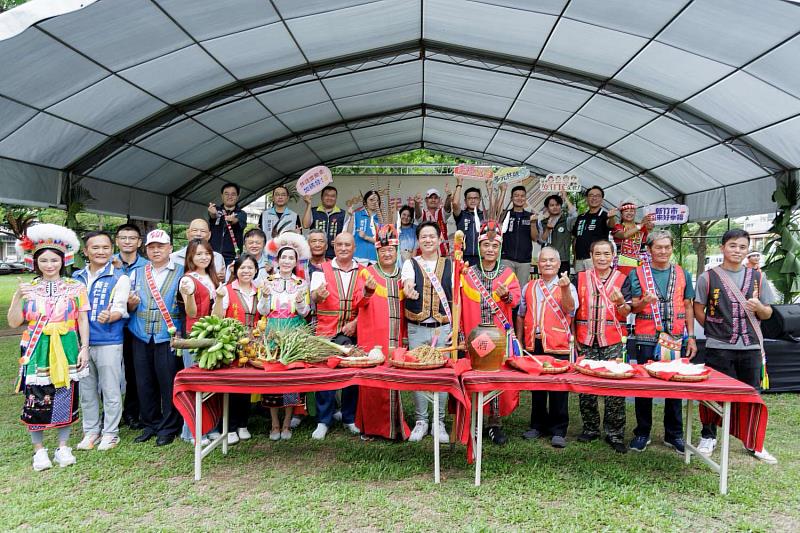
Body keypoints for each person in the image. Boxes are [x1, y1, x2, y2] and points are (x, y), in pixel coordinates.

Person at [9, 224, 89, 471]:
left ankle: (63, 446)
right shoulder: (28, 288)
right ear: (36, 262)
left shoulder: (76, 287)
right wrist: (16, 298)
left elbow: (83, 319)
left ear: (62, 260)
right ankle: (39, 450)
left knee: (65, 392)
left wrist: (84, 347)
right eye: (43, 260)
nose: (49, 265)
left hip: (66, 346)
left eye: (54, 260)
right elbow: (14, 322)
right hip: (37, 347)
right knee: (36, 397)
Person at [694, 229, 777, 464]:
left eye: (742, 247)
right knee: (713, 393)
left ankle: (753, 441)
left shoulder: (758, 278)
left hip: (750, 345)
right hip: (718, 346)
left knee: (751, 394)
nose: (737, 251)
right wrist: (713, 329)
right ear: (722, 248)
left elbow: (769, 312)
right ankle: (708, 436)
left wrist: (758, 308)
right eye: (732, 245)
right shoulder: (708, 277)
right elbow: (699, 307)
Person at [626, 231, 696, 453]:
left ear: (672, 248)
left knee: (674, 386)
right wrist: (643, 302)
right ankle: (642, 432)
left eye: (667, 247)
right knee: (644, 386)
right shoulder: (637, 273)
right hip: (646, 336)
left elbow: (688, 306)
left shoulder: (682, 273)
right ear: (649, 249)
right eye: (658, 247)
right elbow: (633, 307)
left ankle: (673, 434)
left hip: (675, 338)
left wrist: (691, 336)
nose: (663, 251)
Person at [459, 220, 521, 445]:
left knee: (495, 378)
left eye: (495, 246)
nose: (490, 250)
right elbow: (459, 304)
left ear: (500, 248)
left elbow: (516, 301)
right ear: (479, 246)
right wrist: (459, 334)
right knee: (475, 375)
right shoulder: (467, 273)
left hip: (498, 338)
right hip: (474, 335)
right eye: (486, 245)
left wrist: (506, 296)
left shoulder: (507, 274)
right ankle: (474, 420)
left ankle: (494, 423)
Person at [310, 232, 372, 439]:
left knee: (353, 375)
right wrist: (318, 295)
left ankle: (349, 417)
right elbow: (314, 297)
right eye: (339, 245)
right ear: (334, 247)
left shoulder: (364, 271)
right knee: (325, 376)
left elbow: (368, 303)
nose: (343, 248)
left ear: (354, 248)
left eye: (348, 245)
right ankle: (323, 420)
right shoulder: (321, 269)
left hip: (354, 330)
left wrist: (356, 323)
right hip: (327, 329)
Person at [73, 231, 131, 452]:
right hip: (79, 344)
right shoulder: (76, 278)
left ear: (111, 249)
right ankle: (91, 431)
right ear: (85, 251)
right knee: (86, 390)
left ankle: (110, 433)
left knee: (110, 389)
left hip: (109, 340)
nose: (101, 252)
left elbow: (120, 307)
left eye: (105, 247)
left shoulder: (119, 277)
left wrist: (112, 316)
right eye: (95, 248)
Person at [126, 229, 184, 446]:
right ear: (146, 249)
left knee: (168, 382)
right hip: (140, 334)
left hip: (168, 335)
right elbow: (128, 304)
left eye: (161, 246)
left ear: (170, 248)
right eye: (152, 247)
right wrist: (130, 303)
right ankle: (150, 423)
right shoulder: (137, 273)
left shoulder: (181, 272)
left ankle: (169, 426)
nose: (156, 250)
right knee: (144, 382)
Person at [516, 247, 576, 448]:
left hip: (558, 343)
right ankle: (537, 425)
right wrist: (519, 339)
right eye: (544, 260)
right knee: (537, 387)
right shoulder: (529, 286)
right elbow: (521, 314)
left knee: (559, 387)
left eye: (552, 260)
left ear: (559, 264)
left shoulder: (567, 285)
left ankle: (558, 429)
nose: (548, 263)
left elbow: (570, 309)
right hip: (535, 343)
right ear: (538, 264)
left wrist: (566, 289)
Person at [575, 239, 630, 453]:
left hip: (612, 339)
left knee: (614, 387)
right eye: (597, 253)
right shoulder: (579, 277)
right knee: (586, 384)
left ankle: (614, 433)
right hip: (586, 338)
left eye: (606, 254)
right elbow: (572, 309)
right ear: (591, 255)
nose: (602, 258)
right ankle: (590, 428)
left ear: (613, 256)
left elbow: (627, 312)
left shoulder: (623, 279)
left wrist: (620, 303)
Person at [355, 225, 410, 440]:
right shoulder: (367, 272)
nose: (387, 254)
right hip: (372, 335)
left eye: (391, 250)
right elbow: (357, 302)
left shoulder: (404, 276)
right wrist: (367, 291)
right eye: (383, 251)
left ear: (397, 251)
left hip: (397, 335)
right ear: (377, 252)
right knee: (372, 381)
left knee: (393, 379)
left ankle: (394, 426)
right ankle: (371, 428)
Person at [402, 221, 453, 443]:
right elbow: (407, 282)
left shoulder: (450, 264)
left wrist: (456, 329)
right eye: (424, 236)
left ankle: (438, 421)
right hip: (417, 326)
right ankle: (421, 421)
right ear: (418, 240)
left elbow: (457, 297)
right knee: (418, 374)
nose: (428, 240)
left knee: (441, 375)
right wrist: (408, 289)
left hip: (442, 327)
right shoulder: (410, 263)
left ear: (439, 238)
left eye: (432, 236)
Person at [257, 235, 311, 441]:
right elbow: (262, 310)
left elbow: (305, 312)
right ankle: (274, 423)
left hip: (294, 330)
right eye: (284, 257)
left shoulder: (301, 283)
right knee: (272, 376)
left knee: (291, 378)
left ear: (296, 262)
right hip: (272, 330)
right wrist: (263, 296)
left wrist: (298, 302)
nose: (287, 261)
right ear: (277, 260)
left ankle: (287, 422)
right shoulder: (267, 282)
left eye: (291, 258)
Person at [212, 253, 262, 444]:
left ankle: (243, 424)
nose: (246, 271)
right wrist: (218, 298)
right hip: (232, 344)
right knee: (232, 387)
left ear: (256, 270)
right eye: (243, 268)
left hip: (253, 345)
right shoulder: (226, 290)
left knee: (247, 386)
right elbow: (216, 317)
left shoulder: (259, 291)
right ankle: (230, 427)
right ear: (235, 270)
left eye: (250, 268)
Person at [177, 239, 220, 445]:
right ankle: (193, 432)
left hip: (213, 334)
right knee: (195, 383)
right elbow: (191, 312)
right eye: (199, 254)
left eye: (207, 253)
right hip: (195, 334)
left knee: (210, 383)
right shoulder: (188, 279)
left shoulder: (211, 277)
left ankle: (209, 426)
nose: (203, 257)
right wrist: (189, 295)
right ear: (190, 257)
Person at [114, 223, 147, 430]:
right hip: (110, 326)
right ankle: (111, 413)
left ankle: (132, 412)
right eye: (123, 237)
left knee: (134, 372)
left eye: (132, 238)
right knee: (110, 372)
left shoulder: (146, 265)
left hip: (135, 325)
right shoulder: (109, 263)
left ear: (139, 242)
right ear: (117, 240)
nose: (127, 241)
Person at [572, 186, 617, 272]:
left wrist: (611, 218)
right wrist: (575, 257)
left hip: (595, 259)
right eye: (591, 195)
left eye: (597, 196)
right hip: (579, 259)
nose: (594, 198)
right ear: (586, 198)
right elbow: (576, 238)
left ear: (602, 199)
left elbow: (611, 226)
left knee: (595, 283)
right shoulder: (581, 217)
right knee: (581, 284)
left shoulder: (604, 215)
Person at [533, 193, 577, 276]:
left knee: (562, 285)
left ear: (561, 206)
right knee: (548, 285)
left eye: (557, 205)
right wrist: (548, 229)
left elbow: (574, 214)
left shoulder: (566, 221)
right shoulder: (543, 223)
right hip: (547, 260)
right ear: (547, 208)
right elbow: (541, 240)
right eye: (552, 205)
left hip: (563, 260)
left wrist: (565, 198)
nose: (555, 207)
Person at [500, 185, 536, 285]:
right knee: (506, 287)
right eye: (516, 195)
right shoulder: (505, 214)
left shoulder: (530, 216)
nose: (519, 198)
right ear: (511, 198)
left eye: (522, 196)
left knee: (521, 289)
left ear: (525, 198)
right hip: (506, 259)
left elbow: (535, 238)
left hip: (524, 261)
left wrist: (533, 224)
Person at [302, 185, 346, 260]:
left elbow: (346, 233)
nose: (329, 198)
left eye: (333, 196)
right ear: (322, 197)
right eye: (327, 195)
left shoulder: (342, 213)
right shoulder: (313, 211)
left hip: (334, 254)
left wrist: (339, 240)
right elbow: (305, 225)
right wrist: (308, 204)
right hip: (315, 253)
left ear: (336, 198)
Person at [208, 182, 247, 264]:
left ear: (237, 197)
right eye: (226, 194)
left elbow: (237, 221)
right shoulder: (216, 210)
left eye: (233, 194)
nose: (230, 197)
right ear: (222, 196)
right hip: (213, 256)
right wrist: (213, 214)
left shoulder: (242, 213)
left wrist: (233, 220)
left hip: (232, 258)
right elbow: (212, 216)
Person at [612, 201, 654, 276]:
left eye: (632, 211)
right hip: (623, 263)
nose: (629, 213)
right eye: (626, 211)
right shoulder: (617, 227)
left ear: (635, 213)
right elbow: (624, 235)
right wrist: (640, 225)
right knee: (624, 284)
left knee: (640, 284)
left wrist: (650, 228)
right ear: (621, 214)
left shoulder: (642, 227)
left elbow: (649, 240)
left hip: (641, 262)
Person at [452, 177, 484, 267]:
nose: (473, 200)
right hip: (463, 257)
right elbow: (454, 203)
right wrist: (459, 184)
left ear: (479, 200)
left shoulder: (484, 215)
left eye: (475, 198)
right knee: (463, 281)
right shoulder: (461, 214)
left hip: (481, 257)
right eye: (469, 198)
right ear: (465, 201)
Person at [413, 187, 451, 256]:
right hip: (424, 255)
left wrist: (449, 196)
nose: (433, 200)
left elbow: (447, 207)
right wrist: (416, 203)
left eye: (436, 198)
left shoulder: (442, 213)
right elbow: (418, 214)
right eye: (430, 198)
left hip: (442, 255)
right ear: (426, 200)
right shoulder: (423, 213)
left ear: (439, 200)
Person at [347, 190, 382, 265]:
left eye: (377, 200)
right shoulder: (356, 215)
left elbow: (383, 242)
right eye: (371, 200)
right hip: (357, 258)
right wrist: (352, 216)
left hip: (375, 259)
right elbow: (348, 235)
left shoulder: (381, 219)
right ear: (365, 202)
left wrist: (366, 237)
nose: (374, 202)